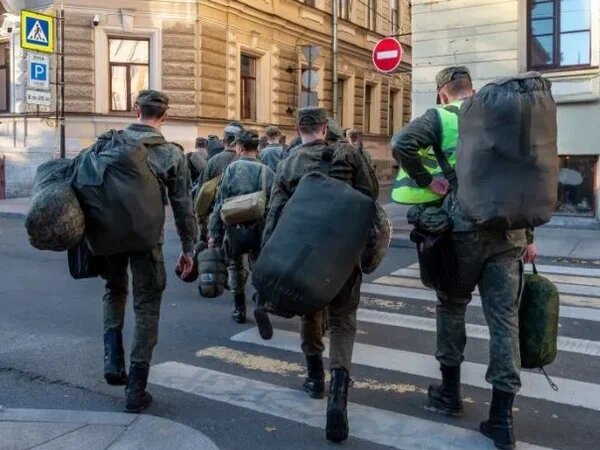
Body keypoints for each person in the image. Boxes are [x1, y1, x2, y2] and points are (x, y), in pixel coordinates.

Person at [391, 67, 537, 450]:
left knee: (452, 307)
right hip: (508, 233)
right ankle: (502, 419)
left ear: (443, 94)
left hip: (461, 231)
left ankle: (450, 393)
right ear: (472, 89)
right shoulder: (502, 113)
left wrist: (429, 181)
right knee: (504, 322)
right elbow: (524, 176)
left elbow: (402, 144)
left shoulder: (441, 116)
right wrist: (529, 236)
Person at [263, 107, 378, 442]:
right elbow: (370, 196)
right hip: (343, 251)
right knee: (343, 320)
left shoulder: (289, 162)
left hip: (303, 252)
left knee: (309, 308)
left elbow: (274, 211)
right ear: (325, 128)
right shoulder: (350, 154)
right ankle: (339, 394)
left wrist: (268, 254)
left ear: (299, 129)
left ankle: (315, 378)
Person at [102, 90, 196, 413]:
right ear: (165, 117)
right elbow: (184, 207)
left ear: (135, 110)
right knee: (146, 307)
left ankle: (112, 357)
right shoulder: (171, 154)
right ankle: (136, 390)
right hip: (147, 240)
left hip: (110, 236)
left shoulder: (111, 141)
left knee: (114, 290)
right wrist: (188, 249)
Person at [208, 130, 274, 338]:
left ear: (241, 147)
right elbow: (274, 204)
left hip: (233, 226)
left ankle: (239, 309)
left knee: (235, 266)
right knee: (259, 267)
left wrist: (213, 233)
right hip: (259, 228)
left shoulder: (231, 169)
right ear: (257, 148)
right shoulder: (267, 172)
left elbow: (220, 203)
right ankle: (260, 302)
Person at [188, 138, 209, 243]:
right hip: (206, 191)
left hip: (192, 191)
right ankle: (204, 236)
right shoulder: (210, 156)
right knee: (204, 216)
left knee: (192, 216)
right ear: (206, 145)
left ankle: (193, 238)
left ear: (195, 145)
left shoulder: (189, 156)